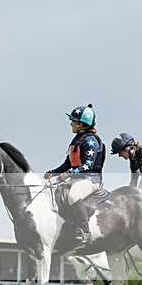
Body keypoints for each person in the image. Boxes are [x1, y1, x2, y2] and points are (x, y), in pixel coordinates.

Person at [44, 104, 106, 245]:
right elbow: (68, 163)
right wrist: (54, 172)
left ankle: (85, 232)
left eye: (73, 121)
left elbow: (87, 166)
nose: (70, 123)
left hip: (91, 180)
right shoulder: (78, 139)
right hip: (77, 178)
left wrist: (68, 174)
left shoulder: (91, 140)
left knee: (73, 196)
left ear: (81, 124)